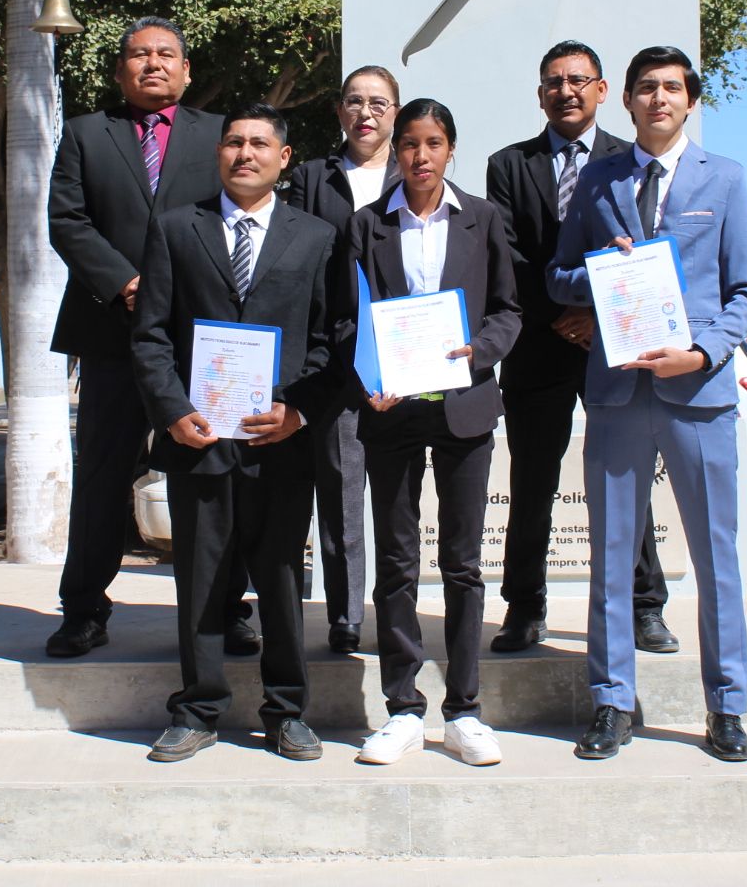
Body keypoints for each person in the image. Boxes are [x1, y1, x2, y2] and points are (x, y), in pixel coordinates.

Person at [548, 45, 747, 764]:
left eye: (672, 88)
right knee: (610, 557)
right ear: (629, 101)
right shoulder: (599, 179)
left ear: (689, 100)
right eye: (646, 88)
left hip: (696, 390)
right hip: (616, 390)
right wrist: (600, 274)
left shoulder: (725, 179)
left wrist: (702, 353)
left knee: (716, 559)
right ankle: (612, 701)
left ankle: (726, 707)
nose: (659, 99)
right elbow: (558, 275)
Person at [131, 103, 339, 763]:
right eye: (233, 143)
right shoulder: (174, 229)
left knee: (280, 579)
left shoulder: (317, 237)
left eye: (259, 144)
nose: (244, 153)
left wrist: (298, 411)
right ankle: (196, 708)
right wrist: (171, 410)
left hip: (280, 442)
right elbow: (152, 337)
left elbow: (336, 341)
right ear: (218, 154)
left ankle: (286, 711)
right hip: (200, 440)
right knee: (200, 579)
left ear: (284, 157)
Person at [45, 17, 253, 658]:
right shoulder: (85, 134)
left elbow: (239, 213)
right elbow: (67, 221)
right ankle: (83, 608)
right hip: (113, 335)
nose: (153, 64)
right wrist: (126, 282)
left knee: (215, 474)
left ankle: (226, 604)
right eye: (139, 55)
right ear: (119, 70)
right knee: (104, 476)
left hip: (200, 339)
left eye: (166, 55)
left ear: (187, 70)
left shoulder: (218, 135)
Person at [337, 99, 521, 767]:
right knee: (395, 562)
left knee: (464, 564)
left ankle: (465, 709)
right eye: (409, 144)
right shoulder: (365, 226)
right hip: (391, 410)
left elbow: (508, 308)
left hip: (463, 408)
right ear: (396, 152)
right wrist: (368, 377)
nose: (419, 156)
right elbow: (345, 320)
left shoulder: (483, 219)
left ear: (451, 150)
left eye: (433, 143)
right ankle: (402, 707)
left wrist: (480, 351)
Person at [484, 41, 679, 656]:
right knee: (533, 480)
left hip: (614, 345)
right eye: (553, 81)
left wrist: (595, 316)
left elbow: (646, 248)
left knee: (626, 481)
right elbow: (511, 259)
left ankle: (645, 605)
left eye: (578, 80)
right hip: (539, 348)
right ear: (540, 93)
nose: (565, 91)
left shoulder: (631, 158)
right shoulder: (508, 164)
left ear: (601, 90)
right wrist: (562, 317)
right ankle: (523, 607)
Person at [284, 65, 401, 654]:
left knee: (398, 495)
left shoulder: (417, 173)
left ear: (396, 113)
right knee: (340, 490)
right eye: (354, 102)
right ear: (339, 113)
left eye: (378, 103)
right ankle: (345, 614)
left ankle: (398, 611)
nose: (366, 113)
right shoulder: (310, 177)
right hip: (333, 358)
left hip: (403, 357)